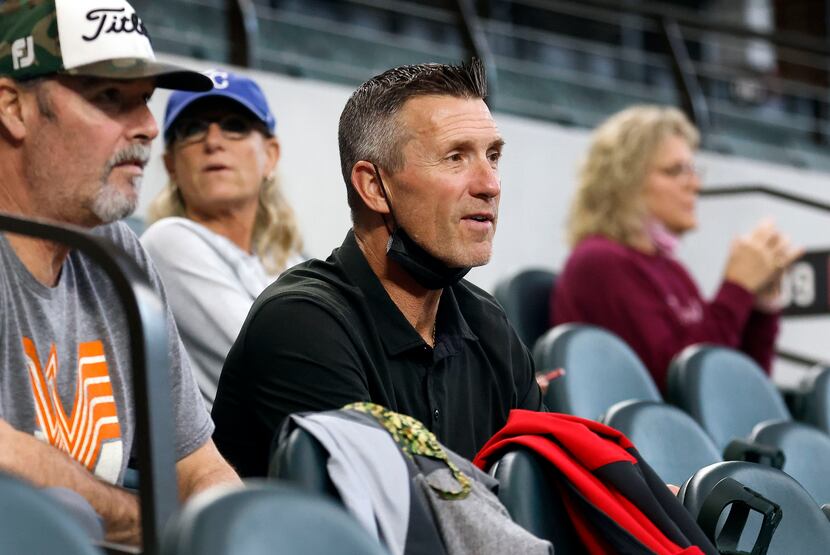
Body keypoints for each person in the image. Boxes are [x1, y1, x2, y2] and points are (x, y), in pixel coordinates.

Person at [211, 60, 543, 477]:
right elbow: (383, 526)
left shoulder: (489, 325)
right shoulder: (301, 324)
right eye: (455, 157)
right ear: (373, 187)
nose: (489, 184)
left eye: (492, 156)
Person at [0, 0, 239, 545]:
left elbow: (197, 465)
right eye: (110, 97)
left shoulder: (118, 252)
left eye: (145, 102)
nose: (149, 127)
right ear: (13, 107)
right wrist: (149, 522)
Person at [552, 105, 802, 390]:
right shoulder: (599, 261)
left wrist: (761, 306)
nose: (694, 184)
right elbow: (680, 383)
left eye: (694, 170)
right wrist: (737, 288)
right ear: (624, 181)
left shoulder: (672, 269)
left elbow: (742, 389)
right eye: (676, 171)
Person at [141, 70, 303, 408]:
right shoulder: (167, 242)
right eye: (192, 129)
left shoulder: (293, 263)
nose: (213, 141)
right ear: (171, 165)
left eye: (235, 125)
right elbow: (277, 363)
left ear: (269, 155)